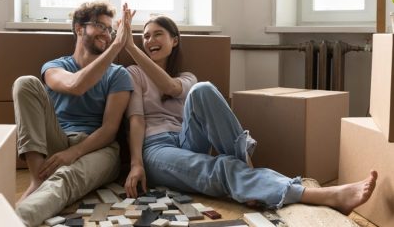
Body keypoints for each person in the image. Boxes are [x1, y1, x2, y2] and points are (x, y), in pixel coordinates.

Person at [123, 14, 378, 216]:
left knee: (204, 90)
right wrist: (136, 163)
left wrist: (130, 46)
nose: (149, 40)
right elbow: (136, 118)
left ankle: (246, 173)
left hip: (187, 141)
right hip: (157, 149)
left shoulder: (186, 78)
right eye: (144, 37)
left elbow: (170, 87)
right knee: (220, 167)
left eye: (157, 34)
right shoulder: (133, 73)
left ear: (174, 40)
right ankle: (325, 195)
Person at [13, 1, 135, 227]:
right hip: (57, 140)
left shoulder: (118, 75)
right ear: (79, 28)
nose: (107, 34)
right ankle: (36, 179)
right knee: (25, 83)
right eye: (100, 26)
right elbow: (76, 86)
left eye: (111, 30)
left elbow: (109, 130)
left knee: (65, 179)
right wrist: (116, 47)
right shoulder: (55, 66)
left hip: (98, 149)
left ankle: (11, 221)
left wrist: (73, 153)